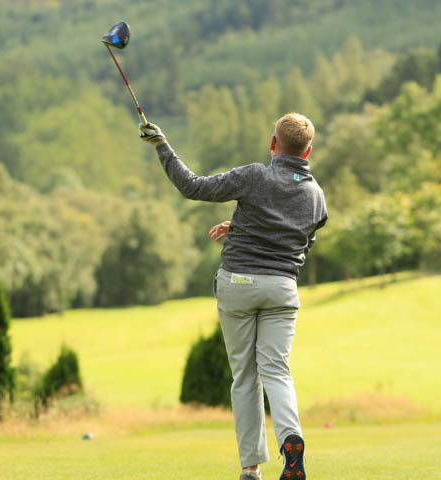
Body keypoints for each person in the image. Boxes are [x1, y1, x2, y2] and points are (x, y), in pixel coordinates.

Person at [140, 113, 327, 480]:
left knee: (245, 376)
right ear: (308, 152)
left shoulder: (255, 176)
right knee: (277, 371)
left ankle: (250, 469)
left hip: (239, 284)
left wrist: (161, 145)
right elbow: (300, 240)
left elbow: (193, 186)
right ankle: (291, 438)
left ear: (273, 144)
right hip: (282, 289)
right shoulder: (316, 195)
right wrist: (243, 226)